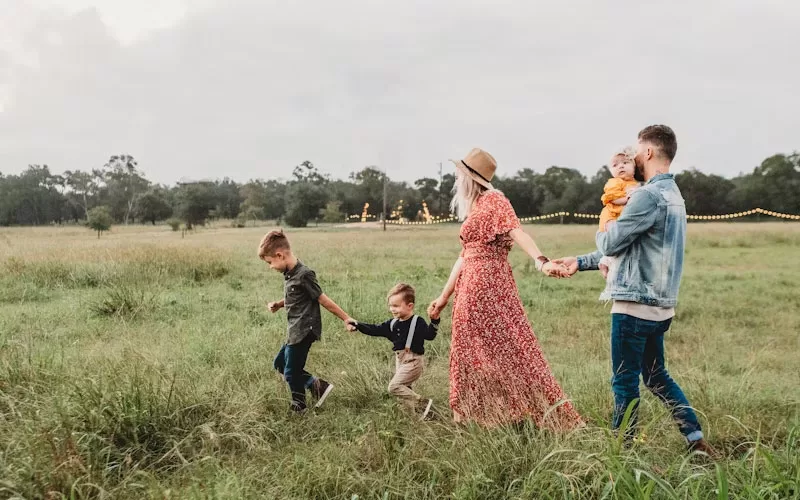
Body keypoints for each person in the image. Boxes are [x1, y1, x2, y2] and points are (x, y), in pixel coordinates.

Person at [554, 125, 716, 455]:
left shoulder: (646, 195)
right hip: (661, 307)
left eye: (637, 151)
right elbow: (632, 248)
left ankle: (622, 453)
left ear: (650, 153)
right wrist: (580, 261)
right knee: (657, 377)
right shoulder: (674, 196)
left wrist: (605, 227)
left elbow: (612, 241)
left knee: (624, 381)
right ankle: (695, 440)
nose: (633, 158)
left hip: (633, 306)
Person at [428, 148, 583, 429]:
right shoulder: (475, 207)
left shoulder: (495, 200)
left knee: (510, 348)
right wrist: (443, 297)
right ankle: (476, 416)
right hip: (470, 285)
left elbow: (517, 231)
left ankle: (519, 411)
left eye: (459, 175)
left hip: (488, 284)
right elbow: (464, 256)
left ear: (469, 178)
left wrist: (541, 261)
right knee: (468, 351)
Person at [259, 229, 356, 413]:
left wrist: (346, 318)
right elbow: (295, 298)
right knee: (280, 364)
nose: (270, 267)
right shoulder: (289, 274)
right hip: (294, 330)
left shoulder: (304, 274)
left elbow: (322, 299)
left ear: (280, 255)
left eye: (270, 262)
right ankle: (317, 386)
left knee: (291, 372)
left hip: (304, 330)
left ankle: (299, 406)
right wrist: (279, 304)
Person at [347, 283, 439, 419]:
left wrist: (434, 320)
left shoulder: (417, 322)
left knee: (394, 387)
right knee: (405, 392)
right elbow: (375, 329)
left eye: (396, 306)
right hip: (400, 361)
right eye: (390, 306)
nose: (392, 309)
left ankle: (423, 403)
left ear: (410, 306)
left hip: (413, 361)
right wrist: (358, 324)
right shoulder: (393, 323)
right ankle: (414, 418)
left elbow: (429, 335)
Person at [598, 147, 641, 287]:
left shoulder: (635, 184)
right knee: (615, 239)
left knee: (623, 244)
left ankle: (606, 262)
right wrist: (627, 199)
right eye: (615, 165)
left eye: (625, 163)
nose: (620, 166)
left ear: (634, 166)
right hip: (611, 216)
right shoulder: (615, 182)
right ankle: (607, 264)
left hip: (622, 217)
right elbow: (613, 198)